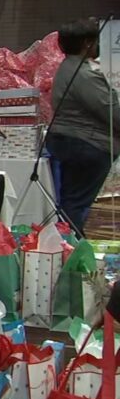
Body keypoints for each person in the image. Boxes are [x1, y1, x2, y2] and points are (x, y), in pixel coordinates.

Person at [47, 19, 120, 237]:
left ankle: (69, 243)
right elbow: (112, 113)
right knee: (77, 203)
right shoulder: (85, 75)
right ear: (87, 43)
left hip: (74, 141)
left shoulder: (68, 67)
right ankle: (72, 247)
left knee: (73, 200)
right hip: (88, 144)